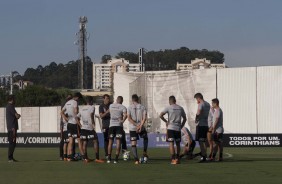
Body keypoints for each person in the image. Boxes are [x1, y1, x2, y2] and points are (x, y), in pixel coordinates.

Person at [160, 96, 187, 164]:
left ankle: (173, 159)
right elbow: (185, 118)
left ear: (170, 101)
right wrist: (181, 125)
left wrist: (166, 121)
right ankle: (177, 158)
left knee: (171, 143)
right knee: (178, 143)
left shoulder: (168, 107)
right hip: (178, 128)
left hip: (171, 128)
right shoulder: (180, 108)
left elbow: (160, 115)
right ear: (175, 100)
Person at [77, 96, 104, 163]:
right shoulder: (92, 107)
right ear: (91, 101)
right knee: (95, 141)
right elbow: (91, 114)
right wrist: (93, 123)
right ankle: (97, 158)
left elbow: (76, 117)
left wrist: (80, 125)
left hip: (83, 128)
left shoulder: (82, 108)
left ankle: (85, 158)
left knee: (85, 142)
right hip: (90, 128)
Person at [61, 92, 83, 161]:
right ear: (77, 97)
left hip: (69, 124)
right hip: (74, 123)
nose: (78, 100)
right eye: (78, 99)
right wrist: (80, 124)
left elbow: (61, 112)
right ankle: (84, 157)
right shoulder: (75, 102)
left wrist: (66, 118)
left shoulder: (67, 102)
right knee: (79, 140)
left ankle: (69, 157)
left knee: (71, 141)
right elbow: (76, 113)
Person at [127, 94, 148, 164]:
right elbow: (144, 118)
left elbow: (129, 118)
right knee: (145, 137)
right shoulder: (142, 107)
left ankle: (136, 160)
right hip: (141, 126)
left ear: (132, 100)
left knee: (133, 143)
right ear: (138, 99)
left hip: (133, 127)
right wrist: (140, 126)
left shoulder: (129, 107)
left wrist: (136, 125)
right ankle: (144, 151)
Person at [107, 96, 127, 164]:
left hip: (111, 126)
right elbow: (126, 115)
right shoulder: (123, 107)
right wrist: (122, 121)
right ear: (122, 101)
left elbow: (109, 112)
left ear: (116, 100)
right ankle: (116, 159)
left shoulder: (111, 105)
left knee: (110, 142)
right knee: (118, 142)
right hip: (119, 126)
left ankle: (109, 158)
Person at [194, 93, 210, 162]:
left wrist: (196, 119)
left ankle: (203, 156)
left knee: (201, 141)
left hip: (201, 124)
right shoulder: (208, 104)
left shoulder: (201, 104)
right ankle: (205, 155)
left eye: (196, 99)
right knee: (204, 141)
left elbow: (198, 112)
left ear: (198, 98)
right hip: (206, 124)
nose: (196, 101)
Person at [6, 95, 21, 162]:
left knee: (13, 143)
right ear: (11, 100)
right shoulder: (10, 106)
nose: (15, 100)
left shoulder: (8, 107)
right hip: (12, 128)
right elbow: (17, 116)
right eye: (14, 99)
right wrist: (19, 115)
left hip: (11, 127)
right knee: (12, 143)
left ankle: (11, 157)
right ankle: (10, 158)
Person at [60, 94, 72, 160]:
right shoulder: (67, 111)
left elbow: (62, 121)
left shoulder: (63, 110)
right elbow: (67, 119)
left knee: (65, 143)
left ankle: (65, 156)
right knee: (68, 143)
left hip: (64, 129)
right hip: (67, 128)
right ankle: (68, 156)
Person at [99, 94, 111, 159]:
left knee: (111, 140)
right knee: (106, 140)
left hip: (112, 125)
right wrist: (107, 112)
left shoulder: (111, 105)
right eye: (106, 98)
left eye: (108, 98)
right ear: (103, 99)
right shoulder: (101, 106)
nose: (108, 100)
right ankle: (107, 154)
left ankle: (109, 154)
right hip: (105, 125)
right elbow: (101, 116)